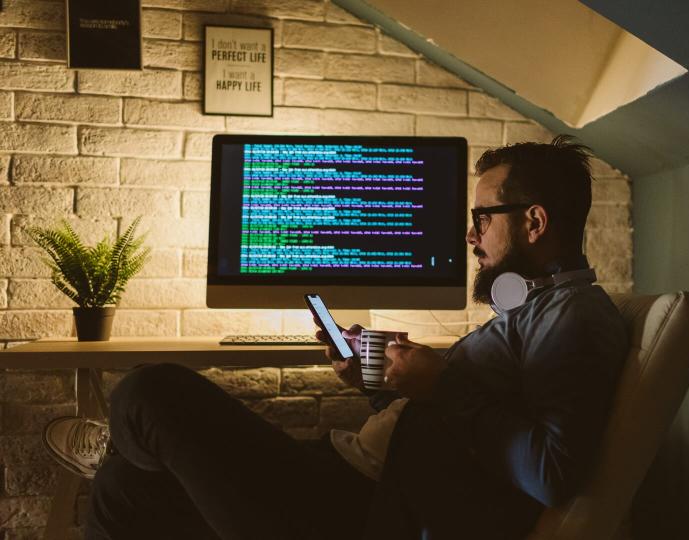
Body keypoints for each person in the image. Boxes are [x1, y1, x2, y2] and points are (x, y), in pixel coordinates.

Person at [43, 135, 629, 540]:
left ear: (535, 221)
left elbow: (553, 472)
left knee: (151, 392)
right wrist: (377, 380)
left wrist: (442, 383)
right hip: (342, 475)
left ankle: (122, 443)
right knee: (122, 490)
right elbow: (453, 423)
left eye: (482, 217)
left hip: (354, 508)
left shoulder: (572, 317)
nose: (471, 235)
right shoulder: (533, 305)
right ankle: (122, 455)